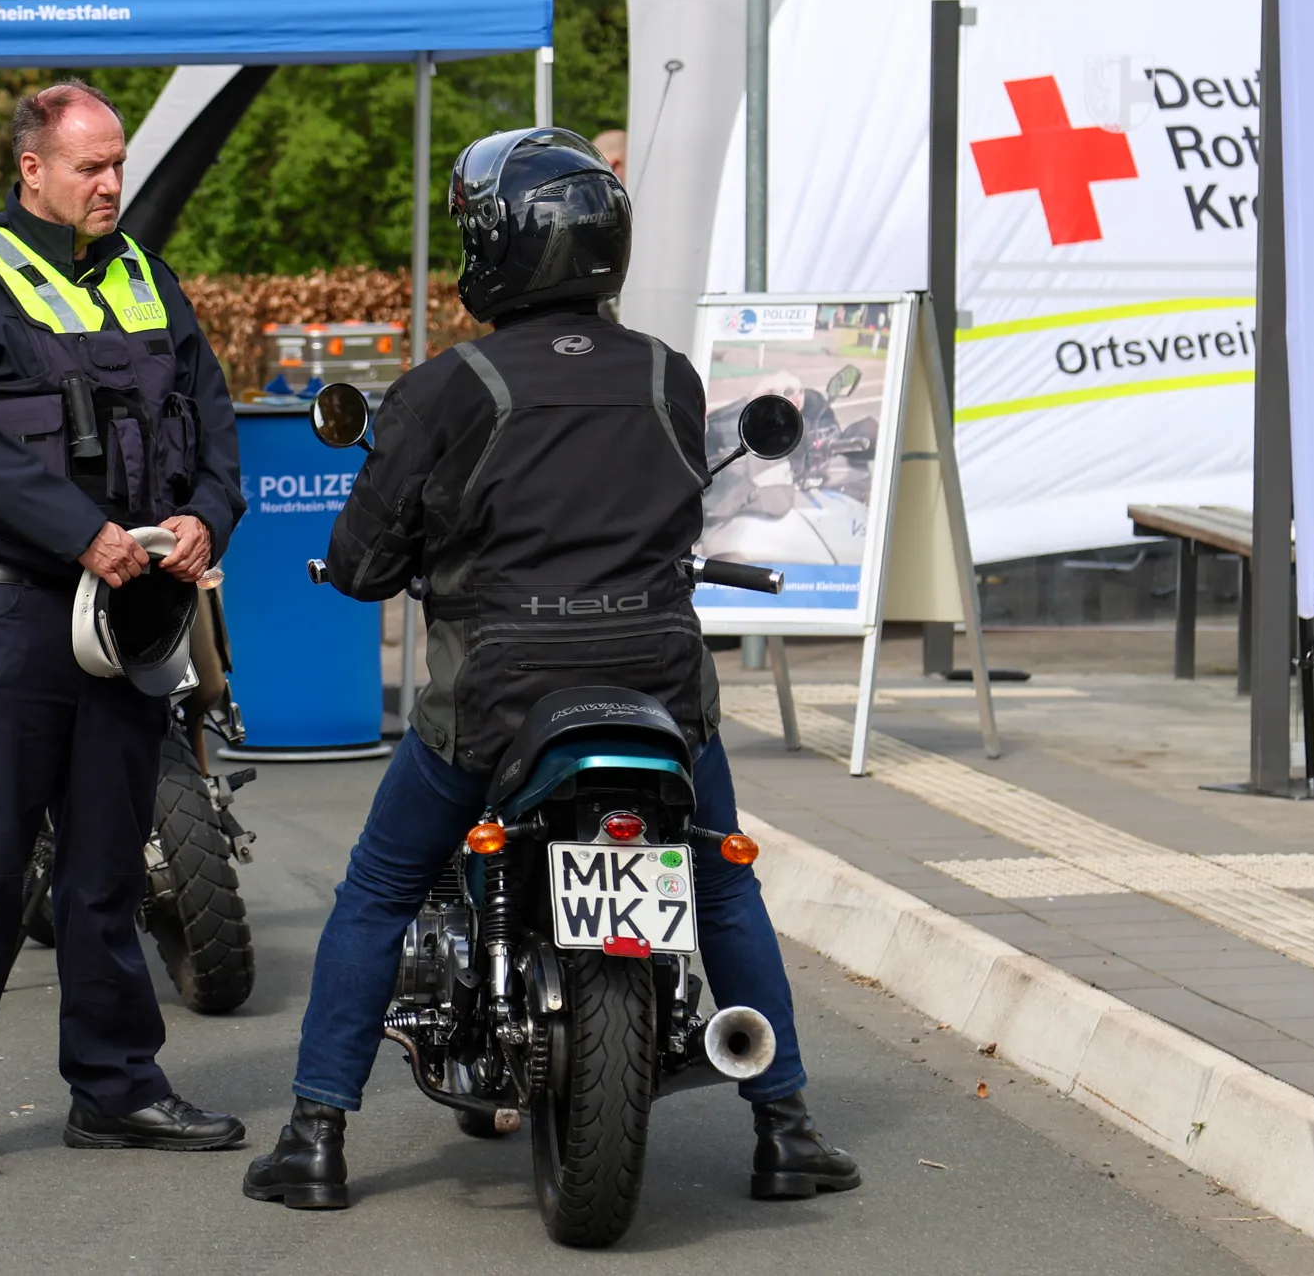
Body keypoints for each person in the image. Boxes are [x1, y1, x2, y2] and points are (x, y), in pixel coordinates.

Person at [242, 126, 859, 1210]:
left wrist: (362, 566)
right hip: (660, 690)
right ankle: (789, 1126)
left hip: (498, 696)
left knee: (378, 890)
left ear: (495, 247)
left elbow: (365, 554)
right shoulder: (669, 378)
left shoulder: (446, 390)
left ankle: (315, 1138)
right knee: (722, 884)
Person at [0, 82, 247, 1176]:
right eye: (88, 167)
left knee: (105, 868)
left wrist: (203, 517)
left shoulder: (146, 276)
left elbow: (215, 428)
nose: (110, 185)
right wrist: (79, 528)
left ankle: (116, 1086)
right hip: (8, 612)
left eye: (118, 163)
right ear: (31, 167)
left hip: (131, 610)